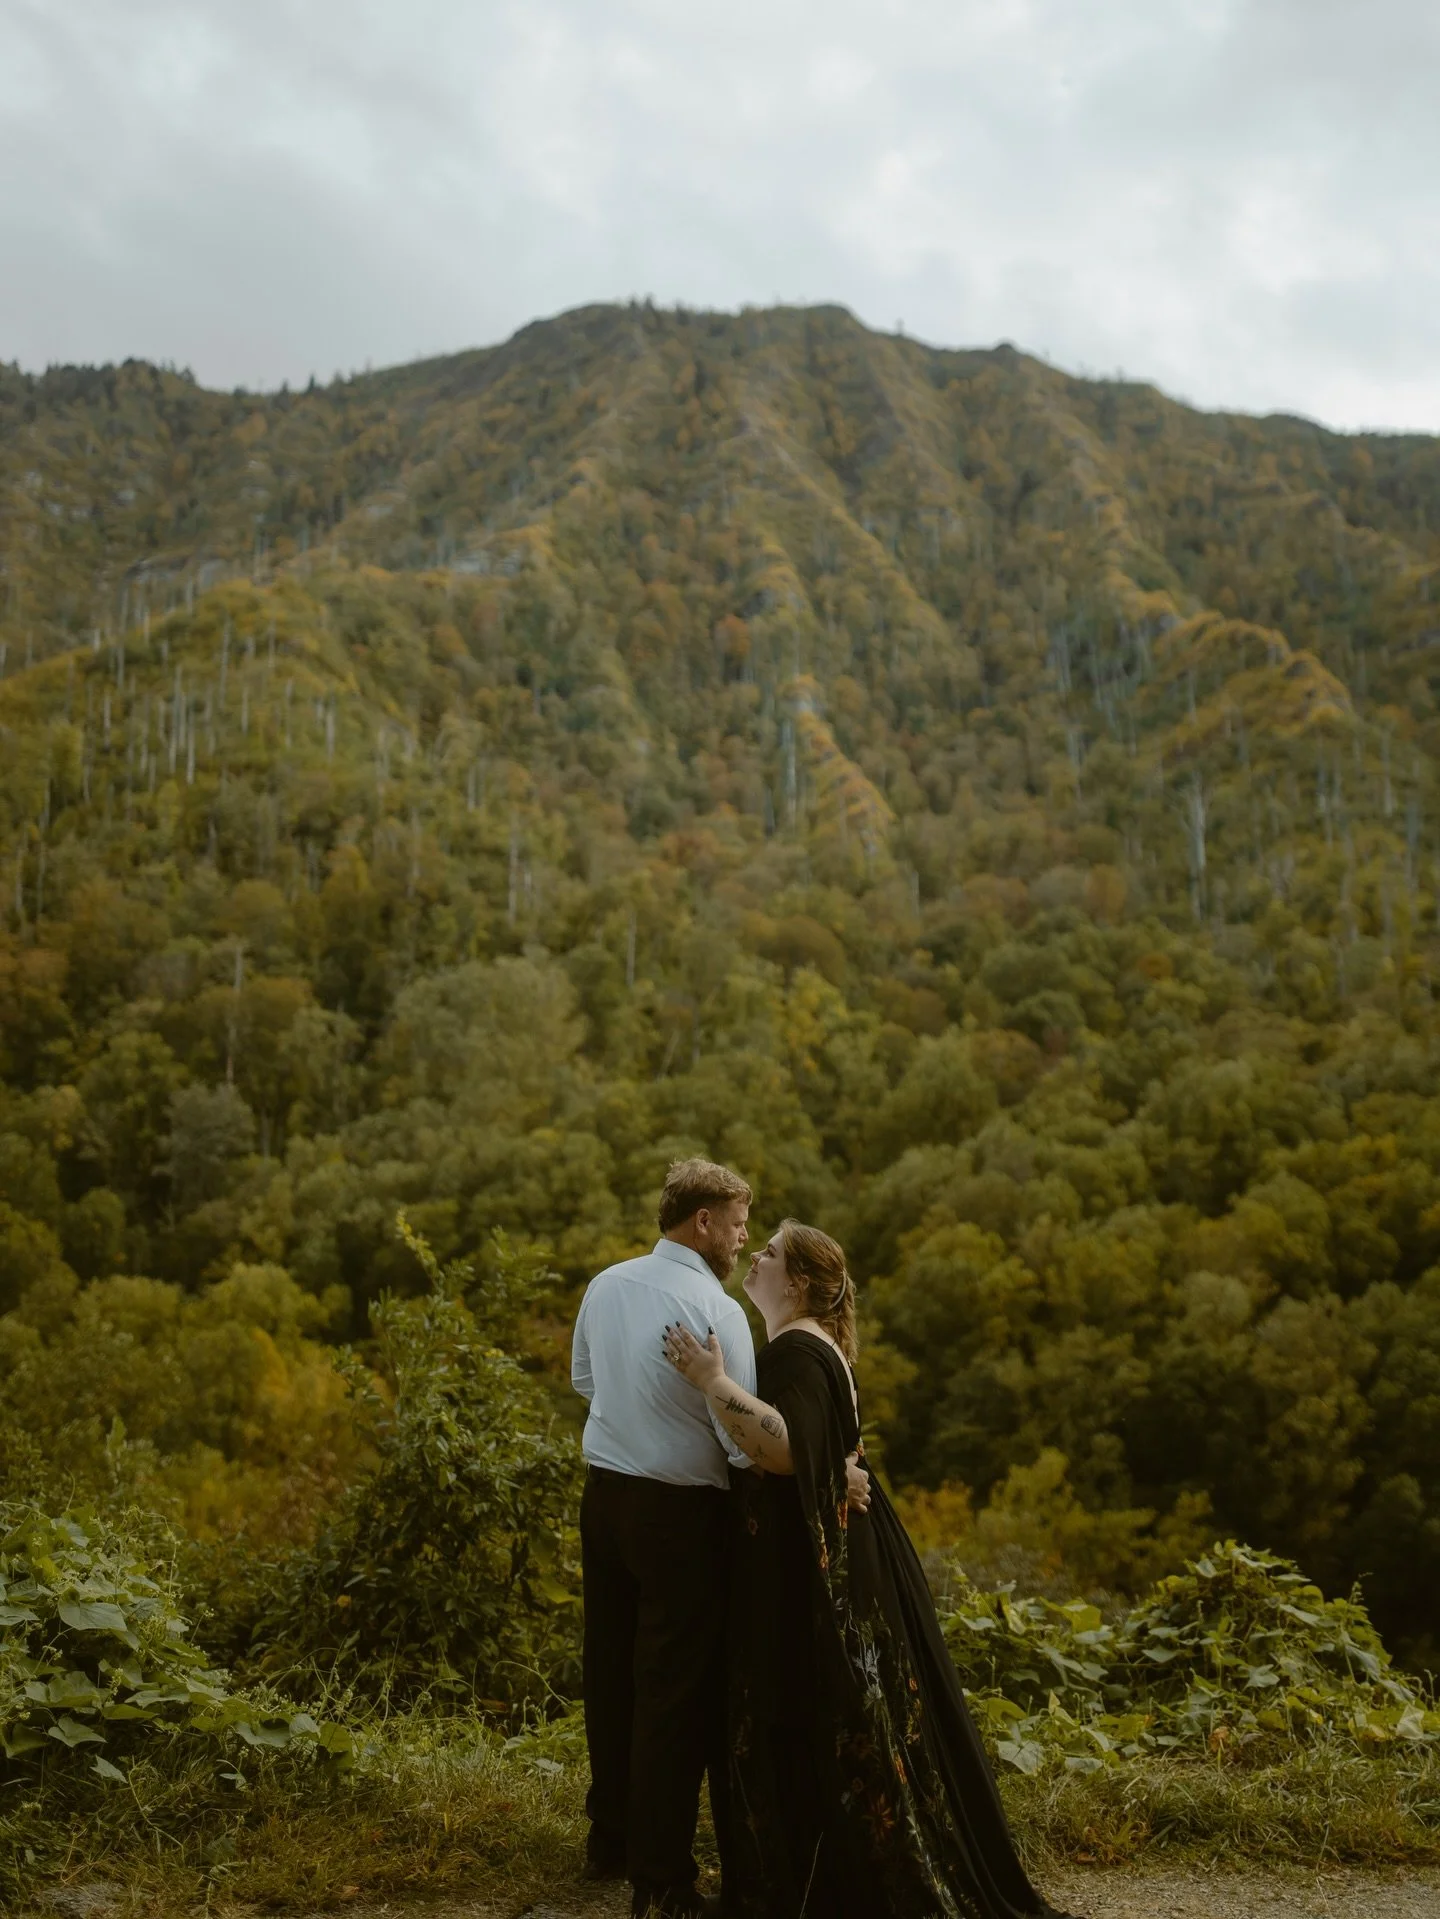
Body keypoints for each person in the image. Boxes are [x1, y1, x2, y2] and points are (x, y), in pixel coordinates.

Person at [662, 1220, 1080, 1919]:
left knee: (810, 1713)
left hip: (813, 1570)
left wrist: (711, 1380)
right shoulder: (809, 1342)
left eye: (770, 1252)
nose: (756, 1255)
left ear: (797, 1282)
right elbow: (821, 1453)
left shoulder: (796, 1349)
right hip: (839, 1551)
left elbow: (787, 1450)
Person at [571, 1156, 758, 1919]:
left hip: (604, 1499)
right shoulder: (718, 1309)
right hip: (681, 1514)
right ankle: (662, 1881)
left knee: (611, 1672)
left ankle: (610, 1840)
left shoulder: (606, 1284)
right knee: (672, 1691)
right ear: (703, 1221)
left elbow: (586, 1381)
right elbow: (743, 1441)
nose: (742, 1239)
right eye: (737, 1225)